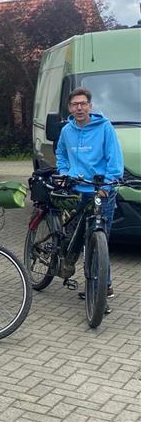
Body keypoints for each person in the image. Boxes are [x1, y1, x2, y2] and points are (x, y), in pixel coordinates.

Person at [55, 87, 123, 301]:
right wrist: (65, 173)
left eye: (83, 103)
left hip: (101, 191)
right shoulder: (67, 131)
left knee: (99, 238)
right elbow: (61, 154)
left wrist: (108, 185)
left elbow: (114, 158)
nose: (79, 107)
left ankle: (103, 285)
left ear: (90, 106)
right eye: (75, 104)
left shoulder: (104, 127)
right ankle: (72, 267)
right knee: (78, 237)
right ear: (70, 108)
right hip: (77, 191)